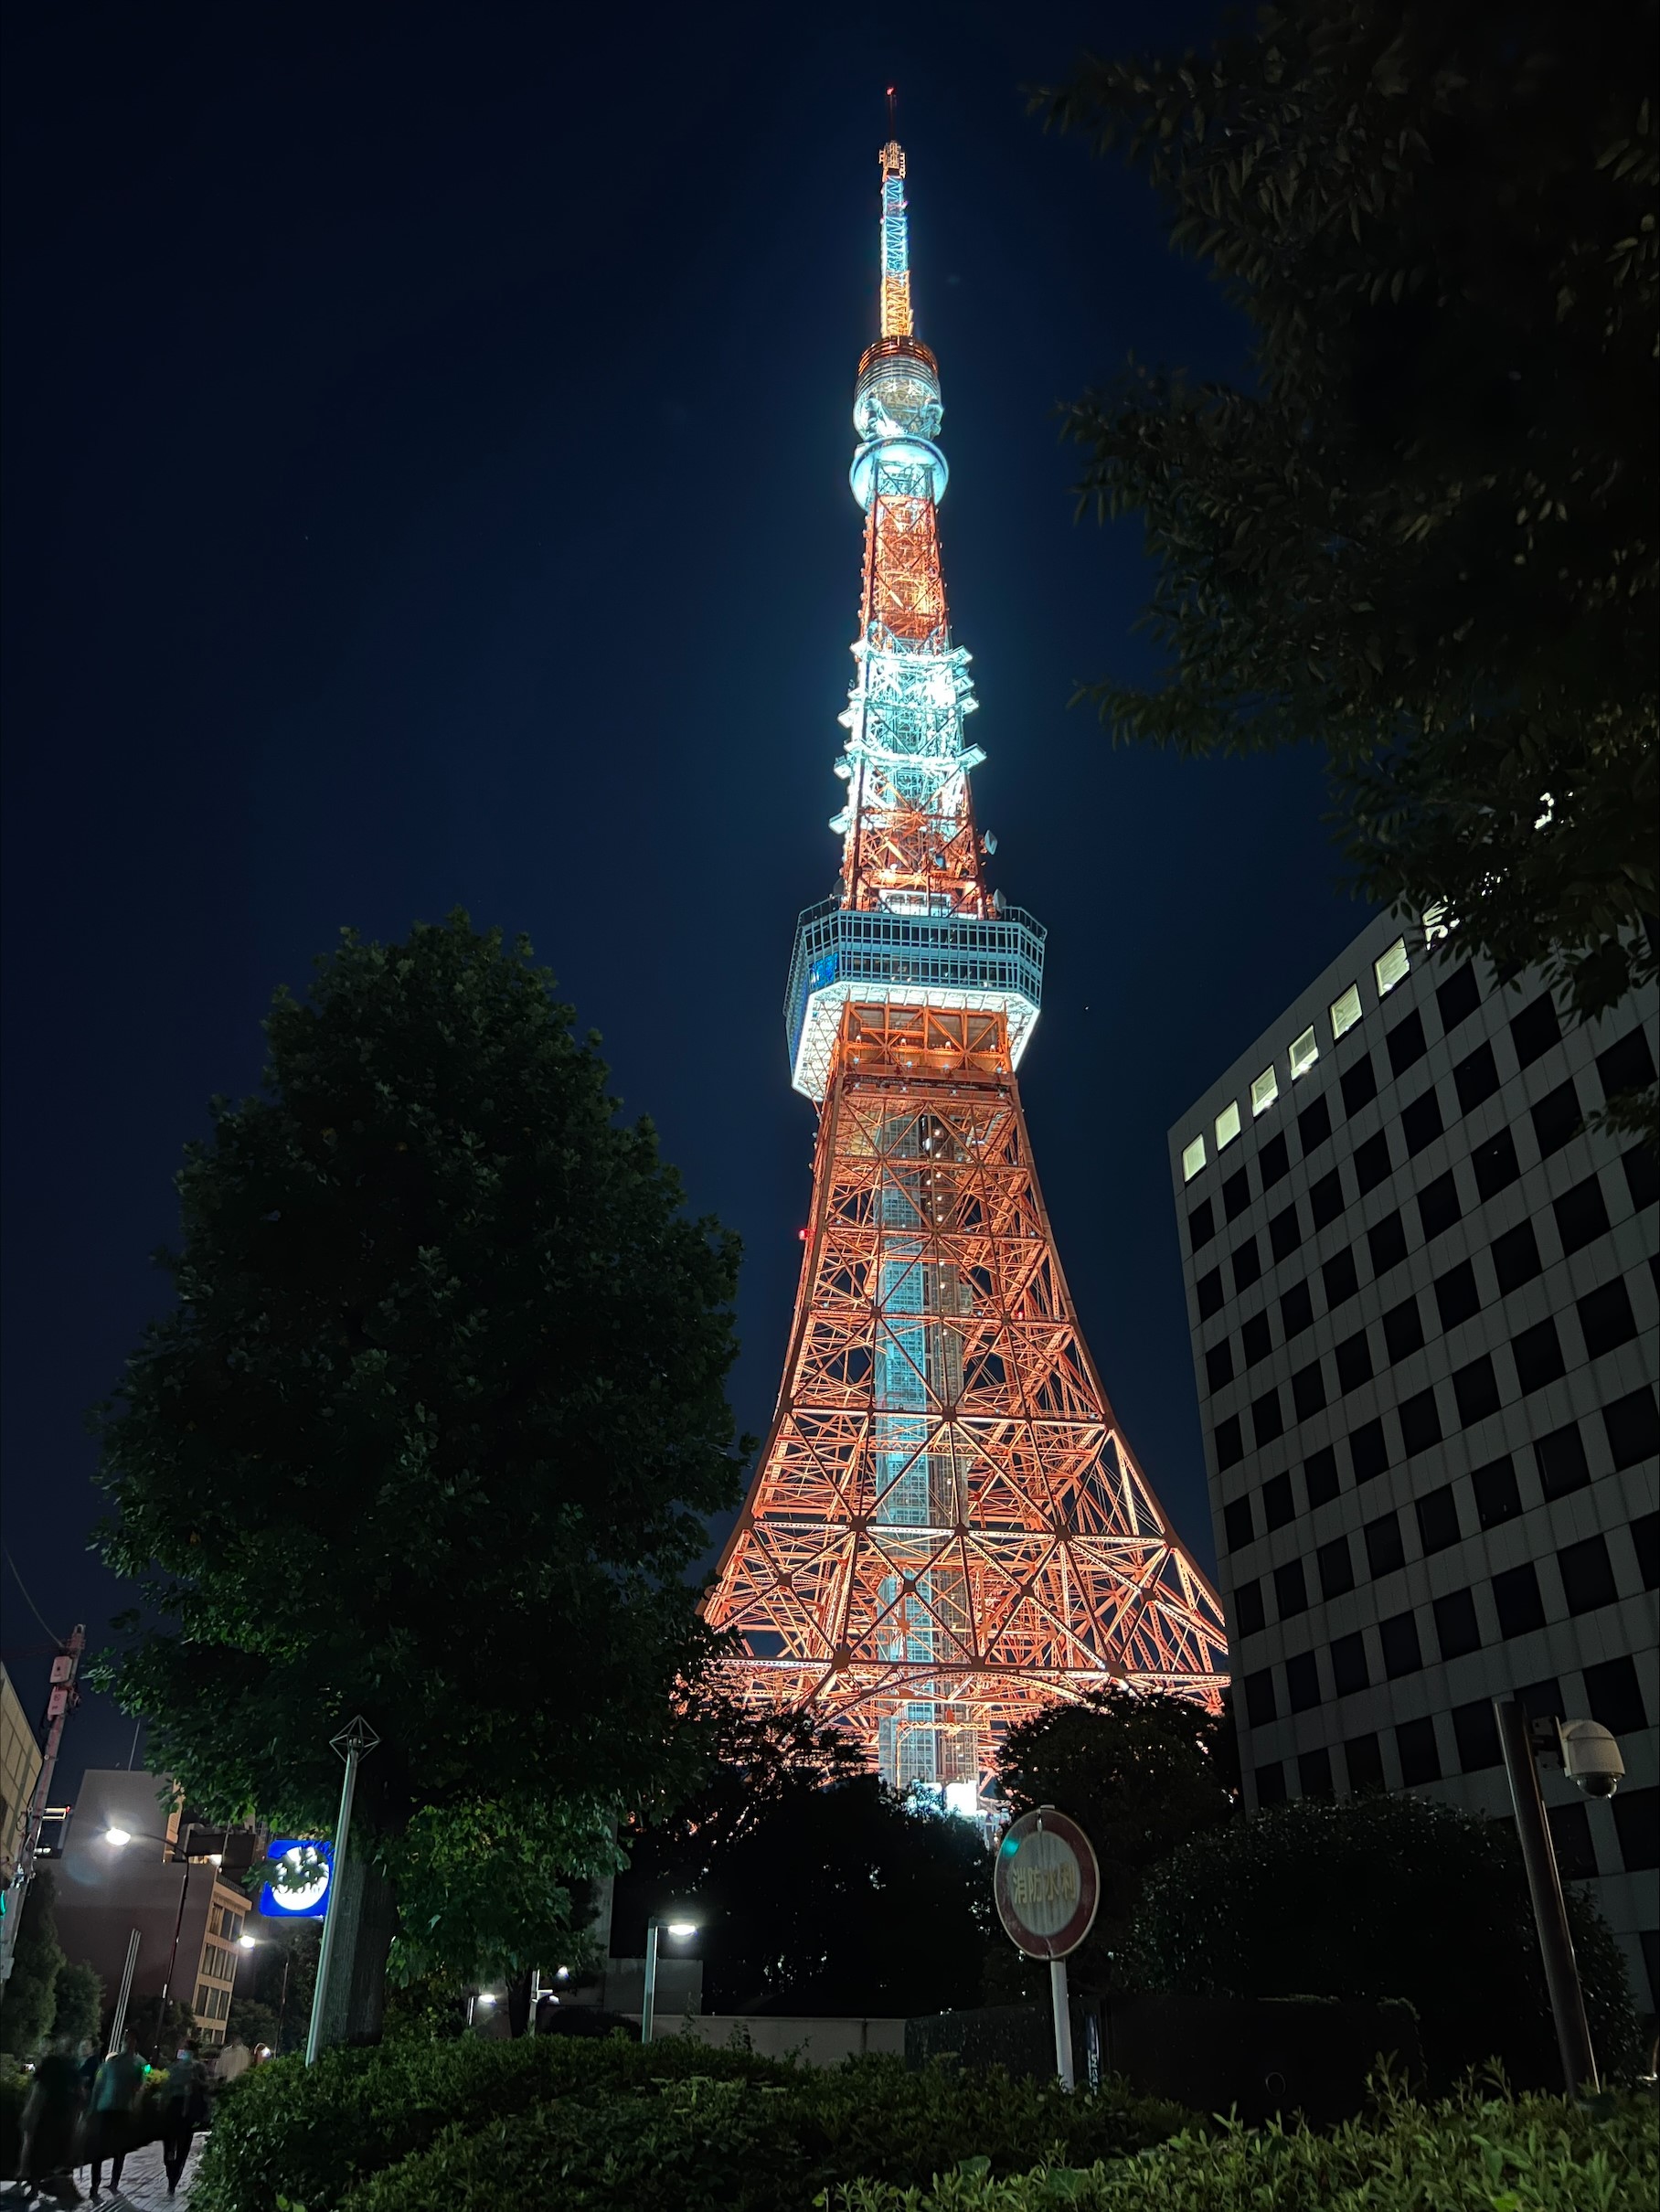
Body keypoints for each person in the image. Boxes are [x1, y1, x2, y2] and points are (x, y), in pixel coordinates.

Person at [18, 2032, 87, 2205]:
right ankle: (43, 2186)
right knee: (53, 2155)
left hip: (48, 2115)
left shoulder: (52, 2063)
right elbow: (80, 2095)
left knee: (38, 2151)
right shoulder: (72, 2068)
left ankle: (35, 2186)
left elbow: (38, 2089)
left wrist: (30, 2111)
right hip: (62, 2119)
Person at [86, 2032, 147, 2200]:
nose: (129, 2044)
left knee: (119, 2148)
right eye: (127, 2040)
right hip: (106, 2108)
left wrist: (136, 2106)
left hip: (123, 2110)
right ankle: (95, 2185)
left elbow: (141, 2085)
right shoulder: (111, 2061)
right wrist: (92, 2108)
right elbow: (99, 2084)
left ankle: (114, 2181)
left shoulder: (140, 2064)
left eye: (132, 2041)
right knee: (99, 2148)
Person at [158, 2043, 207, 2196]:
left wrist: (196, 2082)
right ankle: (170, 2169)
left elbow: (205, 2086)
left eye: (188, 2050)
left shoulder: (198, 2068)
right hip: (174, 2106)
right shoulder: (174, 2068)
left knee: (183, 2146)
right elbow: (166, 2086)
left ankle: (174, 2178)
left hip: (189, 2109)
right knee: (169, 2144)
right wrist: (161, 2102)